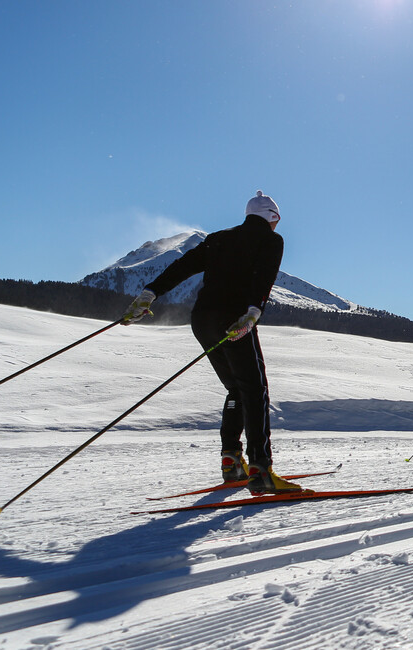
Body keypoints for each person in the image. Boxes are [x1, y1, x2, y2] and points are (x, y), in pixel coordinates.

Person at [121, 191, 303, 495]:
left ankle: (231, 462)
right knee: (255, 390)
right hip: (235, 320)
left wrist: (149, 293)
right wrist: (253, 312)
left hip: (202, 320)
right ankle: (261, 470)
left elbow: (182, 267)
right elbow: (264, 276)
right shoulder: (272, 240)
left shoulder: (218, 238)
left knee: (237, 388)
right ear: (273, 217)